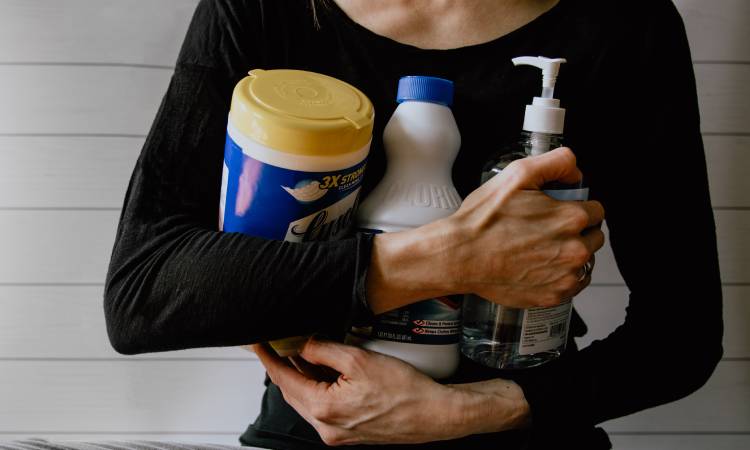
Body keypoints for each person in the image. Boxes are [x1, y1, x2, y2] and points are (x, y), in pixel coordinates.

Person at [103, 0, 723, 449]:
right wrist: (448, 258)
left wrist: (467, 412)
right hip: (321, 426)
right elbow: (146, 294)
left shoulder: (624, 23)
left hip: (527, 423)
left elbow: (682, 337)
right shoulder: (269, 9)